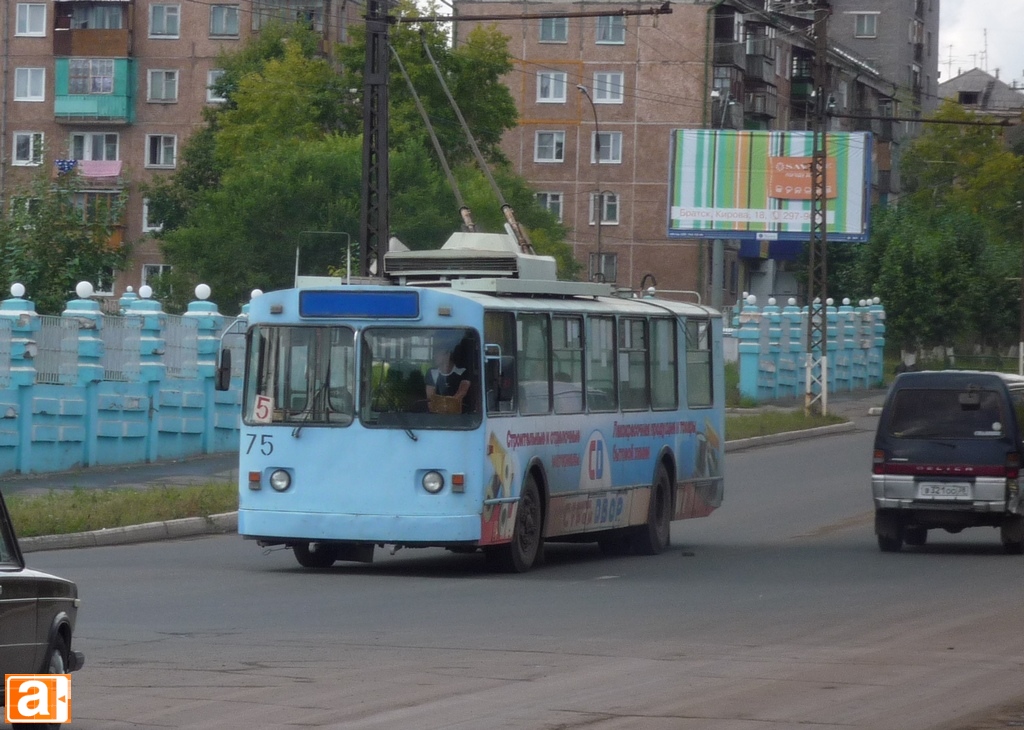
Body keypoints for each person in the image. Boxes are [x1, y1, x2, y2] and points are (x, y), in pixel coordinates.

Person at [426, 345, 470, 413]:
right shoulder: (431, 372)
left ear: (448, 355)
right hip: (436, 415)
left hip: (460, 417)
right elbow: (431, 397)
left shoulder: (463, 372)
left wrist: (444, 405)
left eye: (437, 353)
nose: (434, 356)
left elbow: (461, 393)